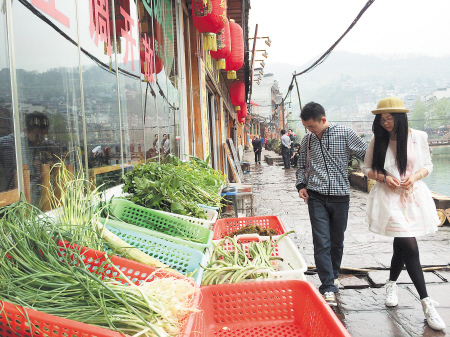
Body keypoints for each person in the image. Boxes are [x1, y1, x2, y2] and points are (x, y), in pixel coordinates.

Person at [362, 97, 445, 331]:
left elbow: (427, 165)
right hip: (389, 199)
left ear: (400, 117)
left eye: (389, 119)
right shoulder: (377, 139)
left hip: (413, 197)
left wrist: (415, 177)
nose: (385, 123)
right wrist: (383, 177)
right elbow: (365, 168)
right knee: (409, 245)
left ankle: (391, 283)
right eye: (382, 119)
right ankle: (427, 304)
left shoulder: (418, 137)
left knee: (402, 245)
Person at [295, 102, 367, 306]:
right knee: (321, 241)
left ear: (323, 120)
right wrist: (301, 185)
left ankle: (333, 275)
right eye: (306, 127)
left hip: (340, 197)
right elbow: (301, 166)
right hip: (316, 196)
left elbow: (366, 155)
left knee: (337, 241)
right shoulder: (308, 139)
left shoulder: (344, 133)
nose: (309, 131)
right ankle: (327, 285)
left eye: (311, 126)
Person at [0, 112, 59, 205]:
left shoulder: (42, 144)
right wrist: (42, 175)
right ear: (25, 130)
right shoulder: (9, 144)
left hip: (35, 196)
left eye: (44, 136)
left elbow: (54, 148)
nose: (40, 140)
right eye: (37, 136)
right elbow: (13, 178)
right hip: (15, 199)